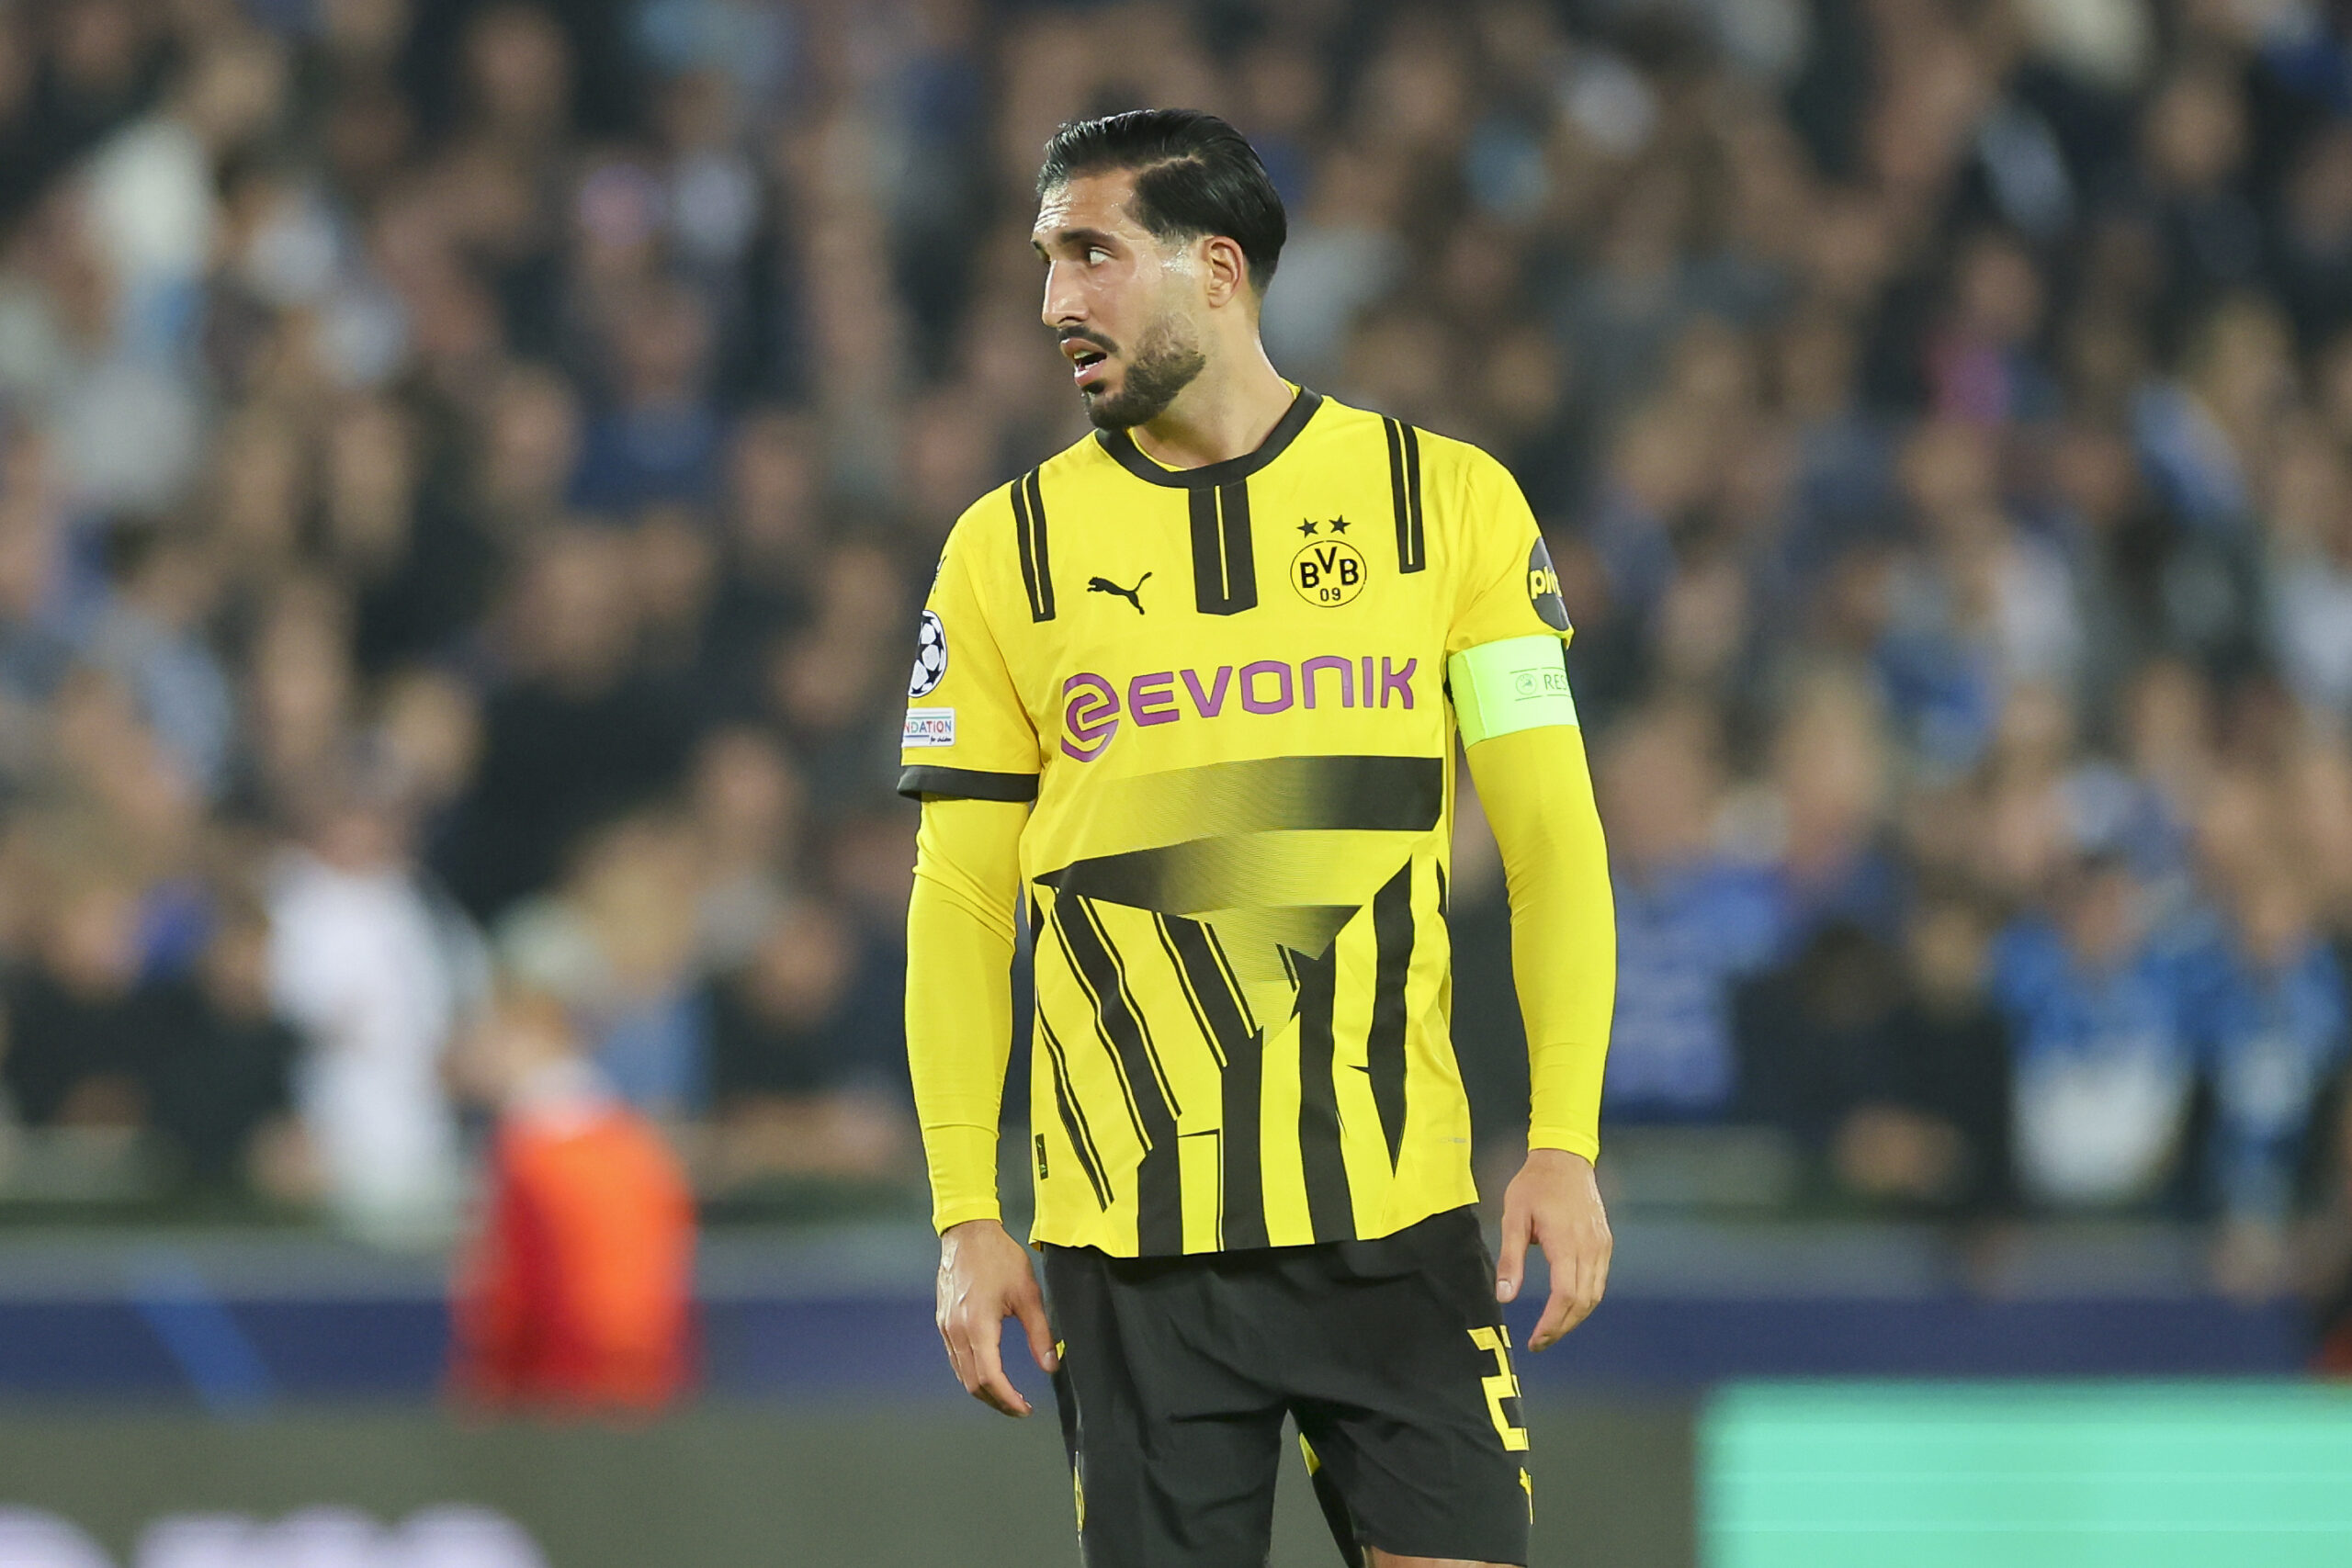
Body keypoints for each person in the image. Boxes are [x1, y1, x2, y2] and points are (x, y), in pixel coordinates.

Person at [900, 110, 1616, 1568]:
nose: (1056, 304)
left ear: (1215, 268)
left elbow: (1553, 844)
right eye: (1047, 262)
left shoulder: (1450, 506)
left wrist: (1563, 1138)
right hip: (1131, 1253)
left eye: (1093, 254)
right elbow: (964, 900)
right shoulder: (1002, 554)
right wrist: (968, 1209)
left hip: (1399, 1219)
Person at [449, 987, 696, 1414]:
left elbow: (523, 1291)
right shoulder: (632, 1142)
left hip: (563, 1384)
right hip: (642, 1376)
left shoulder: (534, 1150)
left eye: (495, 1037)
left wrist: (494, 1386)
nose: (478, 1053)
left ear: (539, 1037)